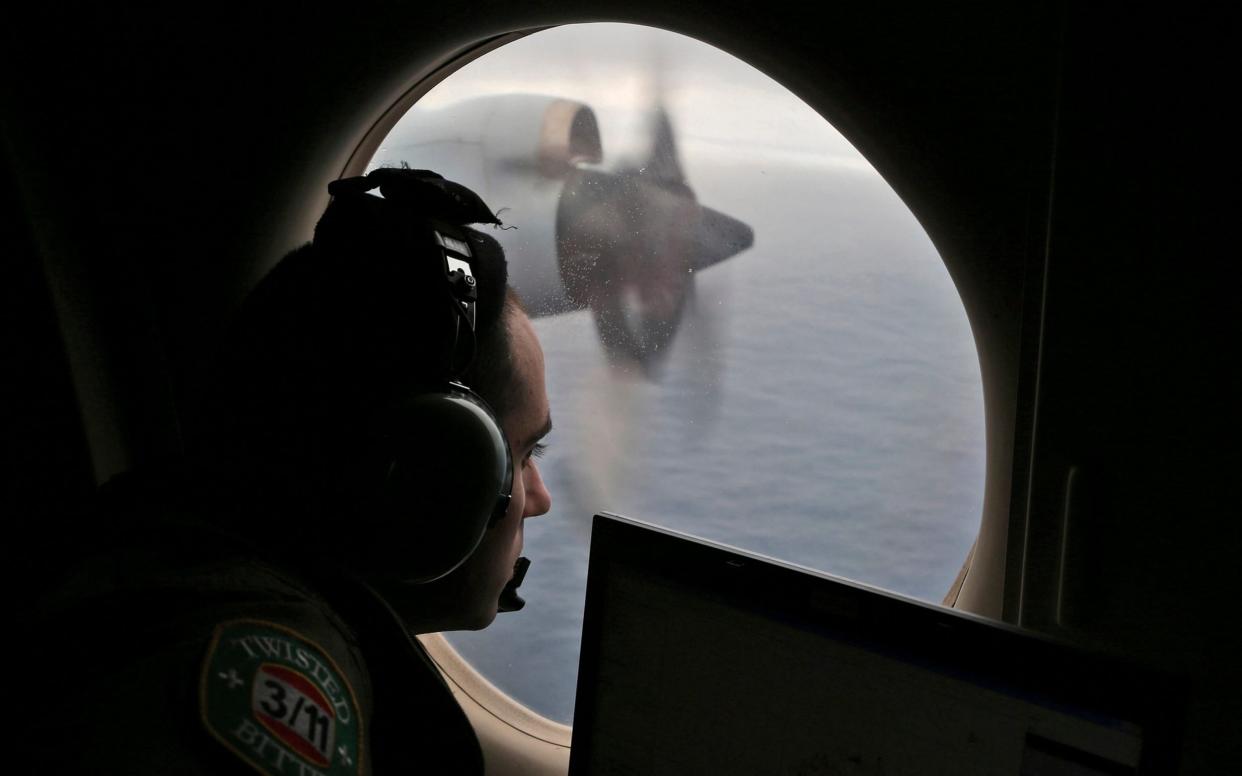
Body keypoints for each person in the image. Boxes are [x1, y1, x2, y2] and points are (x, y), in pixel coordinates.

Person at [24, 168, 552, 775]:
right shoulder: (268, 674)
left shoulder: (163, 553)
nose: (537, 499)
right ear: (429, 472)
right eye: (523, 454)